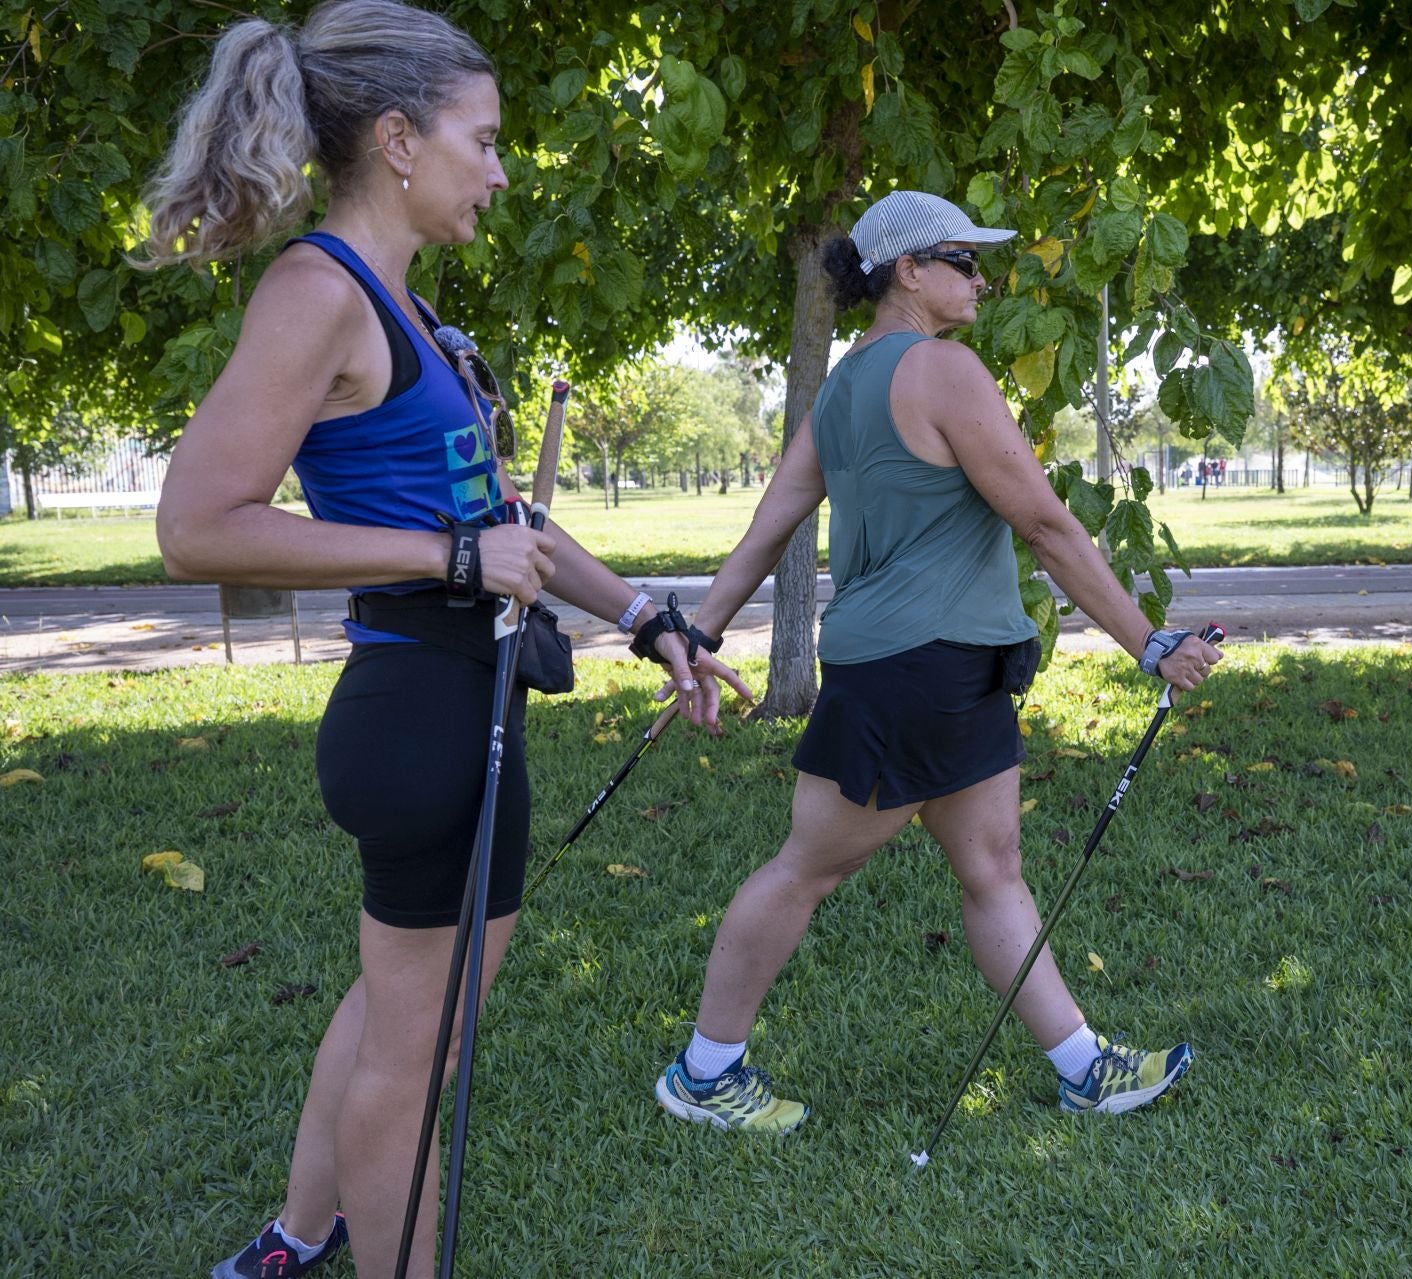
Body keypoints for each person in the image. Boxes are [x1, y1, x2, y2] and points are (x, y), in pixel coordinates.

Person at [139, 3, 749, 1274]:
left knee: (395, 1017)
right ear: (403, 140)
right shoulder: (320, 291)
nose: (501, 168)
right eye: (487, 139)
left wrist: (649, 620)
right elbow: (198, 524)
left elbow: (506, 520)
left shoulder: (411, 314)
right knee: (418, 1056)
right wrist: (449, 558)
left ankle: (292, 1242)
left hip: (464, 703)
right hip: (415, 715)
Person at [651, 190, 1222, 1134]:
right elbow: (1042, 522)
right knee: (806, 867)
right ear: (908, 271)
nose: (982, 279)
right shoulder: (945, 371)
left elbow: (771, 521)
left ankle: (1084, 1067)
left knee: (994, 864)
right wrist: (1150, 643)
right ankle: (705, 1074)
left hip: (942, 670)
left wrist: (702, 630)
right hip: (917, 672)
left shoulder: (841, 387)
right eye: (963, 259)